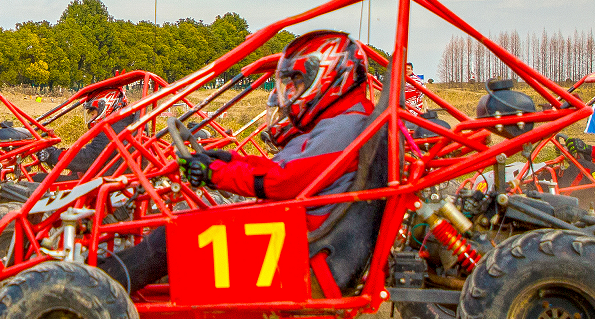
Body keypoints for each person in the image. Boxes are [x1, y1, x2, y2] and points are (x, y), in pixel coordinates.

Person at [101, 30, 385, 297]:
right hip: (307, 244)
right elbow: (287, 170)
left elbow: (280, 181)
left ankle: (99, 288)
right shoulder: (346, 121)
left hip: (305, 259)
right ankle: (111, 287)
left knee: (175, 235)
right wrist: (231, 160)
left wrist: (214, 173)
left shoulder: (342, 128)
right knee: (184, 223)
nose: (292, 92)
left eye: (297, 82)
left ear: (327, 76)